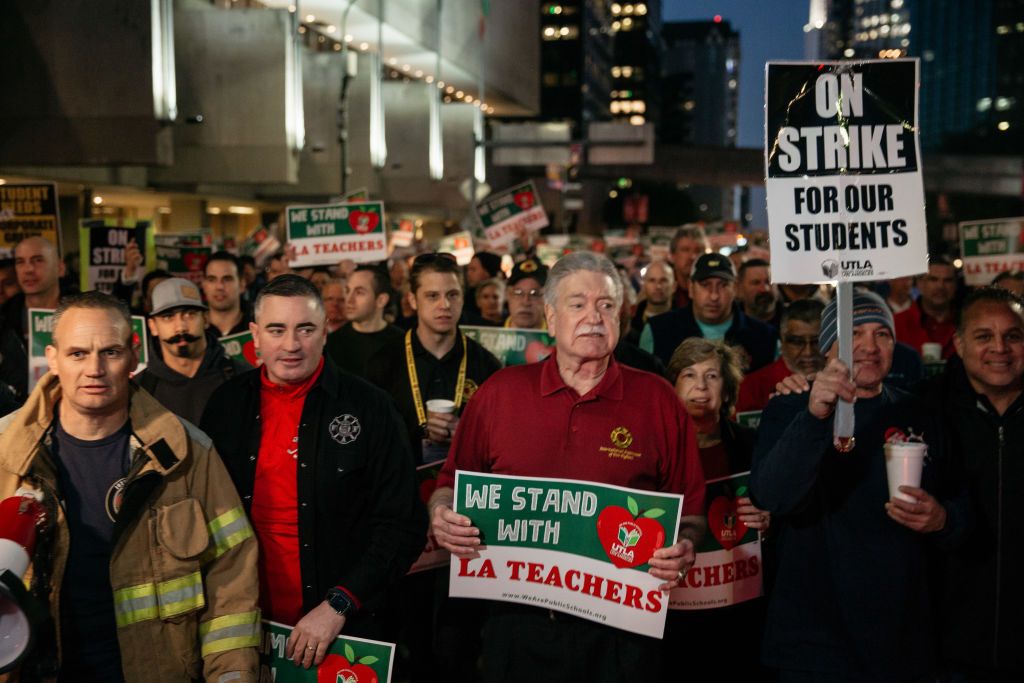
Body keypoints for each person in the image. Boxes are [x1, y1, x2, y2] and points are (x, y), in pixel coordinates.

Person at [428, 251, 706, 682]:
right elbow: (449, 483)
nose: (593, 317)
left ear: (623, 316)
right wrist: (442, 515)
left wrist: (685, 544)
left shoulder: (658, 399)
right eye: (578, 304)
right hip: (516, 625)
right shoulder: (499, 393)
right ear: (551, 317)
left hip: (623, 635)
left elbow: (690, 512)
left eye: (606, 305)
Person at [0, 291, 260, 681]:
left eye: (110, 352)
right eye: (77, 354)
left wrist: (232, 674)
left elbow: (232, 574)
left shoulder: (187, 454)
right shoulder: (6, 452)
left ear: (134, 357)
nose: (94, 369)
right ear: (52, 358)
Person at [200, 275, 424, 667]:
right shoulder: (225, 406)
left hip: (343, 628)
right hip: (244, 624)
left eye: (305, 329)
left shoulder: (371, 408)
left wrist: (338, 604)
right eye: (276, 330)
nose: (291, 345)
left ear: (325, 332)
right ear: (254, 335)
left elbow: (402, 525)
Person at [751, 290, 969, 681]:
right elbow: (772, 496)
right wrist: (815, 415)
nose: (869, 347)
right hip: (816, 643)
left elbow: (962, 507)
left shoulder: (919, 411)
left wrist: (943, 518)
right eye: (855, 333)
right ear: (829, 345)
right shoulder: (789, 407)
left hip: (903, 640)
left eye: (882, 334)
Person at [913, 287, 1024, 680]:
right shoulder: (924, 409)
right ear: (958, 344)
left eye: (1013, 335)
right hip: (948, 645)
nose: (1000, 348)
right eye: (984, 336)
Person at [664, 338, 770, 677]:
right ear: (672, 387)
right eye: (689, 375)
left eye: (712, 376)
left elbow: (778, 511)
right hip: (675, 610)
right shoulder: (654, 449)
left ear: (726, 390)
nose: (700, 386)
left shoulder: (753, 445)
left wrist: (768, 520)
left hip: (738, 607)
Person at [368, 253, 501, 465]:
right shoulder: (384, 363)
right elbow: (370, 439)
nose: (445, 305)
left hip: (463, 488)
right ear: (412, 300)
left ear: (462, 298)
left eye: (452, 295)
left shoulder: (487, 366)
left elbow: (500, 440)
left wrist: (467, 435)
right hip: (402, 489)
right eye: (432, 296)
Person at [135, 278, 249, 424]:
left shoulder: (242, 378)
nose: (180, 327)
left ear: (206, 319)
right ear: (153, 326)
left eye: (189, 314)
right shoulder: (139, 390)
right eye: (168, 317)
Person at [641, 253, 776, 371]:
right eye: (705, 285)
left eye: (723, 285)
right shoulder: (657, 331)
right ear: (691, 287)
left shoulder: (766, 336)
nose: (714, 296)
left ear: (734, 288)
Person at [736, 299, 826, 413]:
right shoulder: (751, 388)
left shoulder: (848, 381)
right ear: (781, 342)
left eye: (817, 341)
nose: (808, 352)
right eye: (797, 342)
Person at [325, 265, 403, 378]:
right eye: (347, 291)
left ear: (381, 300)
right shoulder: (331, 344)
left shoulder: (403, 343)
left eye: (359, 292)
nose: (349, 299)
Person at [895, 257, 959, 360]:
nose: (940, 286)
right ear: (920, 284)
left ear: (955, 285)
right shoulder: (896, 323)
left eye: (948, 280)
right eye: (933, 279)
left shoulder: (968, 323)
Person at [202, 251, 254, 337]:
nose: (219, 286)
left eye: (227, 279)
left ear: (242, 284)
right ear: (204, 285)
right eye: (212, 279)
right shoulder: (193, 330)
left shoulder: (259, 324)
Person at [628, 260, 676, 341]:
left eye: (663, 280)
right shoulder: (631, 322)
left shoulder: (685, 322)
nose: (658, 286)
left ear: (674, 286)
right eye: (652, 280)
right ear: (643, 285)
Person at [669, 225, 708, 309]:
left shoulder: (713, 291)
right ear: (672, 255)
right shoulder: (662, 290)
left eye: (698, 251)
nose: (692, 257)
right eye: (685, 250)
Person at [504, 257, 548, 329]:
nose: (526, 302)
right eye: (518, 293)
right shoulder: (489, 335)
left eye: (534, 294)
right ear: (507, 295)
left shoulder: (560, 338)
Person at [735, 258, 780, 328]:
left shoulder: (790, 320)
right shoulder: (731, 324)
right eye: (756, 283)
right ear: (740, 288)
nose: (765, 289)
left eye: (769, 282)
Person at [463, 251, 503, 321]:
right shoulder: (467, 297)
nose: (468, 274)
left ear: (487, 272)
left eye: (473, 269)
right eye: (468, 269)